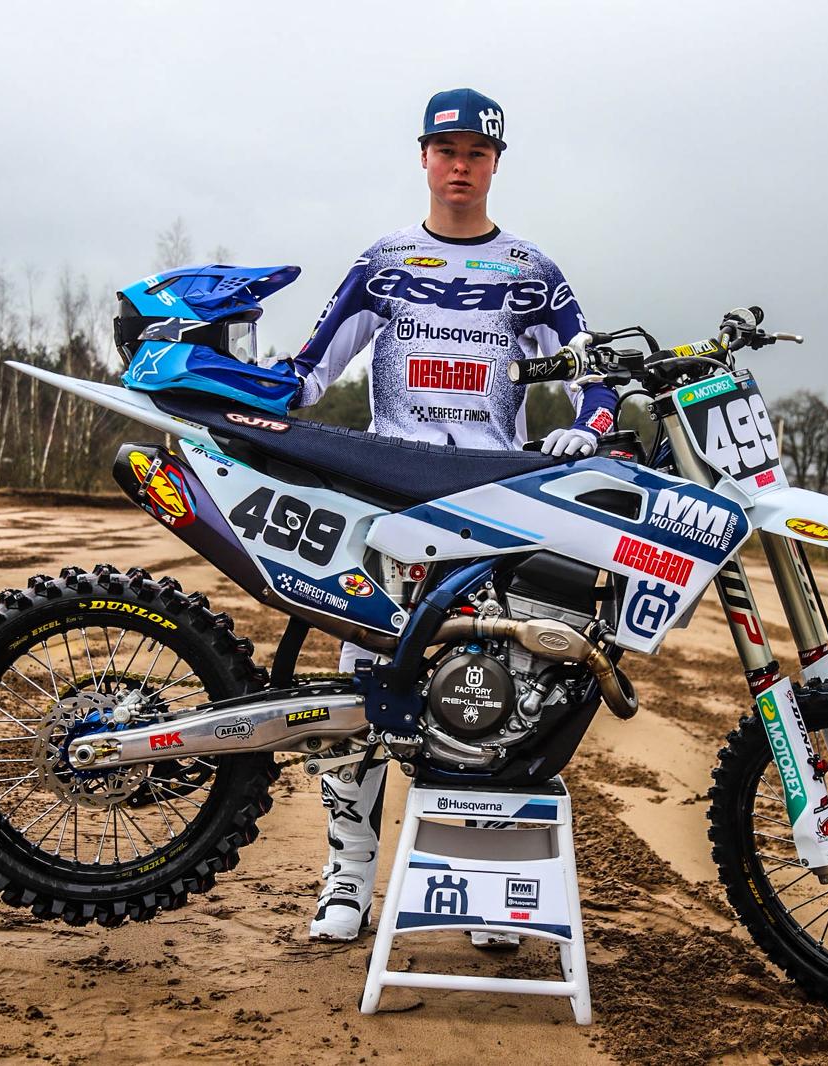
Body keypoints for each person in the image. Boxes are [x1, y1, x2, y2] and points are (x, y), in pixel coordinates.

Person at [285, 88, 616, 942]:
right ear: (423, 157)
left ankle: (480, 883)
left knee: (490, 688)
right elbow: (309, 372)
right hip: (386, 501)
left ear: (496, 163)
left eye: (476, 152)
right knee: (365, 684)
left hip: (492, 506)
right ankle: (347, 877)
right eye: (446, 150)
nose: (460, 166)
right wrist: (232, 386)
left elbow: (596, 378)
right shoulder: (384, 261)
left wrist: (588, 426)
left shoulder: (532, 271)